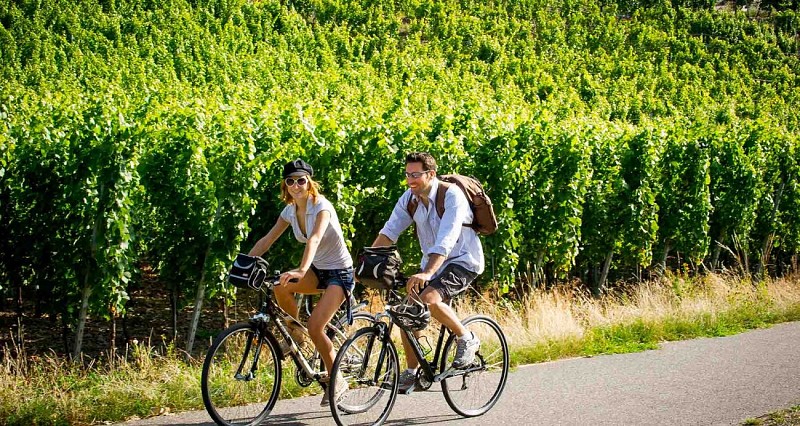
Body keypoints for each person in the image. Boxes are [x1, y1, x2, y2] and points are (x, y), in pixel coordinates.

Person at [371, 152, 484, 393]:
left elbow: (447, 239)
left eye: (415, 175)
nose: (410, 180)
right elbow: (389, 231)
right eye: (407, 175)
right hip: (432, 264)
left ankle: (466, 338)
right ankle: (414, 371)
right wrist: (366, 263)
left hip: (462, 261)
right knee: (406, 313)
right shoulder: (409, 199)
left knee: (430, 299)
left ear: (430, 174)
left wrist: (427, 273)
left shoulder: (451, 195)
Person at [248, 158, 351, 405]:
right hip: (318, 269)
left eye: (301, 180)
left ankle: (337, 379)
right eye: (290, 181)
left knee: (317, 325)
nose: (296, 185)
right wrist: (244, 263)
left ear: (309, 183)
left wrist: (302, 269)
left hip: (339, 272)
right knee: (279, 286)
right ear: (285, 185)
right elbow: (267, 240)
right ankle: (297, 334)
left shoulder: (322, 206)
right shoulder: (290, 210)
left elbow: (314, 239)